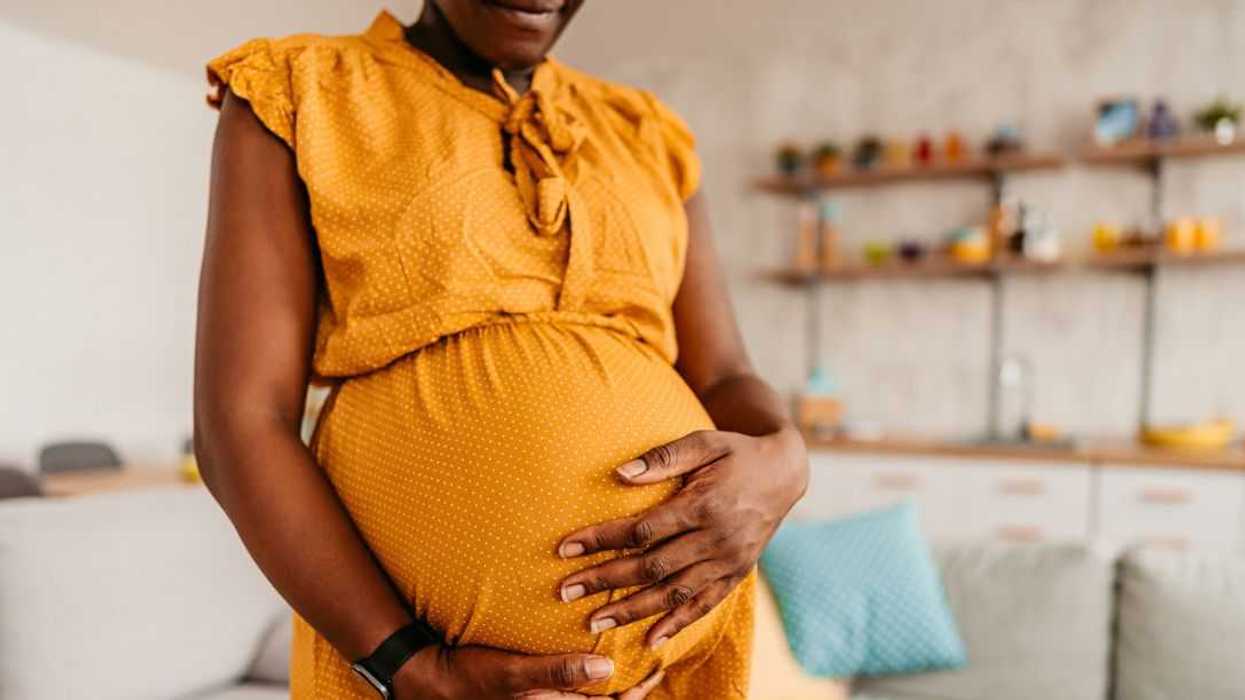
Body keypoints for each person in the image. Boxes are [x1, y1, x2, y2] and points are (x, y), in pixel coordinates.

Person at [194, 2, 808, 698]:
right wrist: (408, 666)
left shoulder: (647, 134)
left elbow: (724, 373)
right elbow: (241, 423)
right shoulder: (296, 91)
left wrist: (783, 456)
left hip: (666, 677)